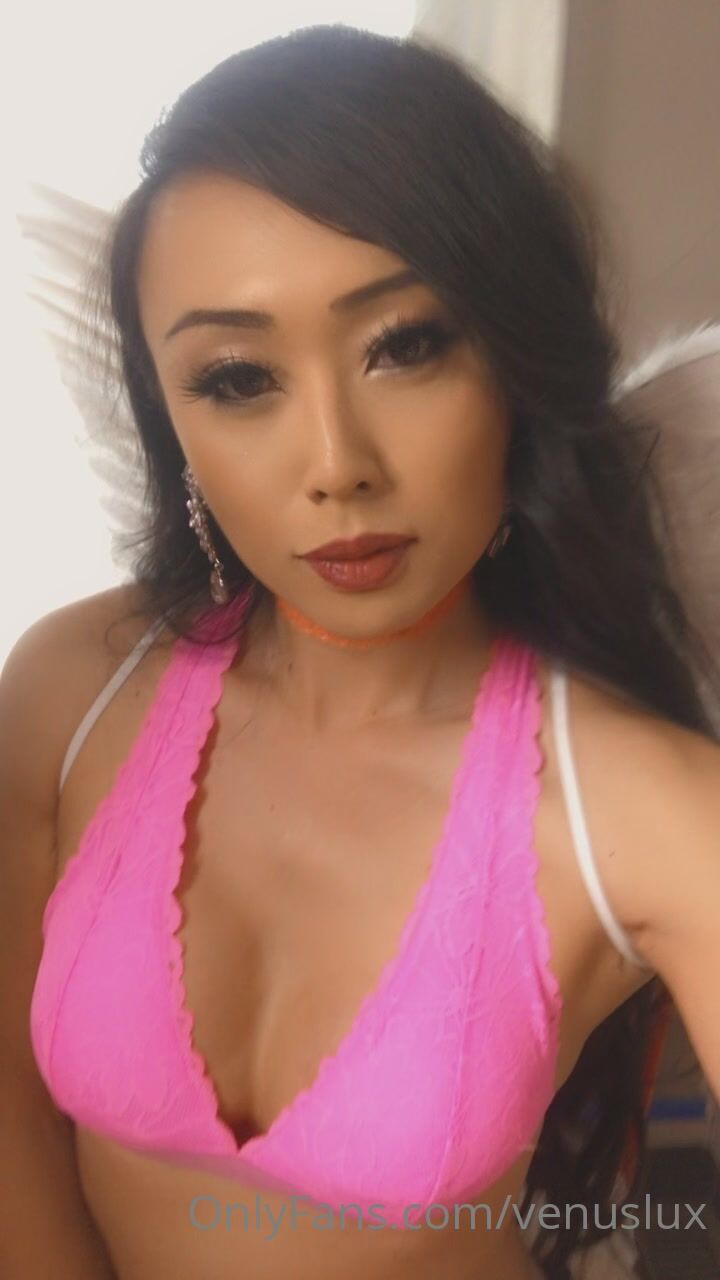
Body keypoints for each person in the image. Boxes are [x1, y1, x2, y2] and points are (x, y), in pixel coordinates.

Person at [2, 23, 719, 1280]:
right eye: (237, 377)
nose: (337, 464)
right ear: (171, 423)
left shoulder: (642, 812)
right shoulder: (70, 690)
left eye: (408, 344)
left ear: (517, 364)